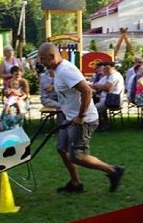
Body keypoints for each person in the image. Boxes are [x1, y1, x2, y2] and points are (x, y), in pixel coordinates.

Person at [37, 42, 125, 194]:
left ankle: (113, 171)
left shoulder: (65, 70)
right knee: (61, 148)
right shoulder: (58, 69)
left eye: (43, 59)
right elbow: (70, 94)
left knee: (78, 156)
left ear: (52, 56)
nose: (41, 62)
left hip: (84, 120)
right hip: (70, 117)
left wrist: (81, 116)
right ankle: (76, 183)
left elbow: (87, 91)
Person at [94, 61, 124, 130]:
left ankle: (97, 126)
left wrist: (95, 85)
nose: (105, 70)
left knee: (94, 109)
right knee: (95, 105)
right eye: (104, 68)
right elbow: (100, 86)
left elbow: (107, 88)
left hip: (113, 101)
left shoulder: (114, 76)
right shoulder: (108, 76)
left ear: (113, 68)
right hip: (107, 100)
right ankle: (103, 124)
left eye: (107, 68)